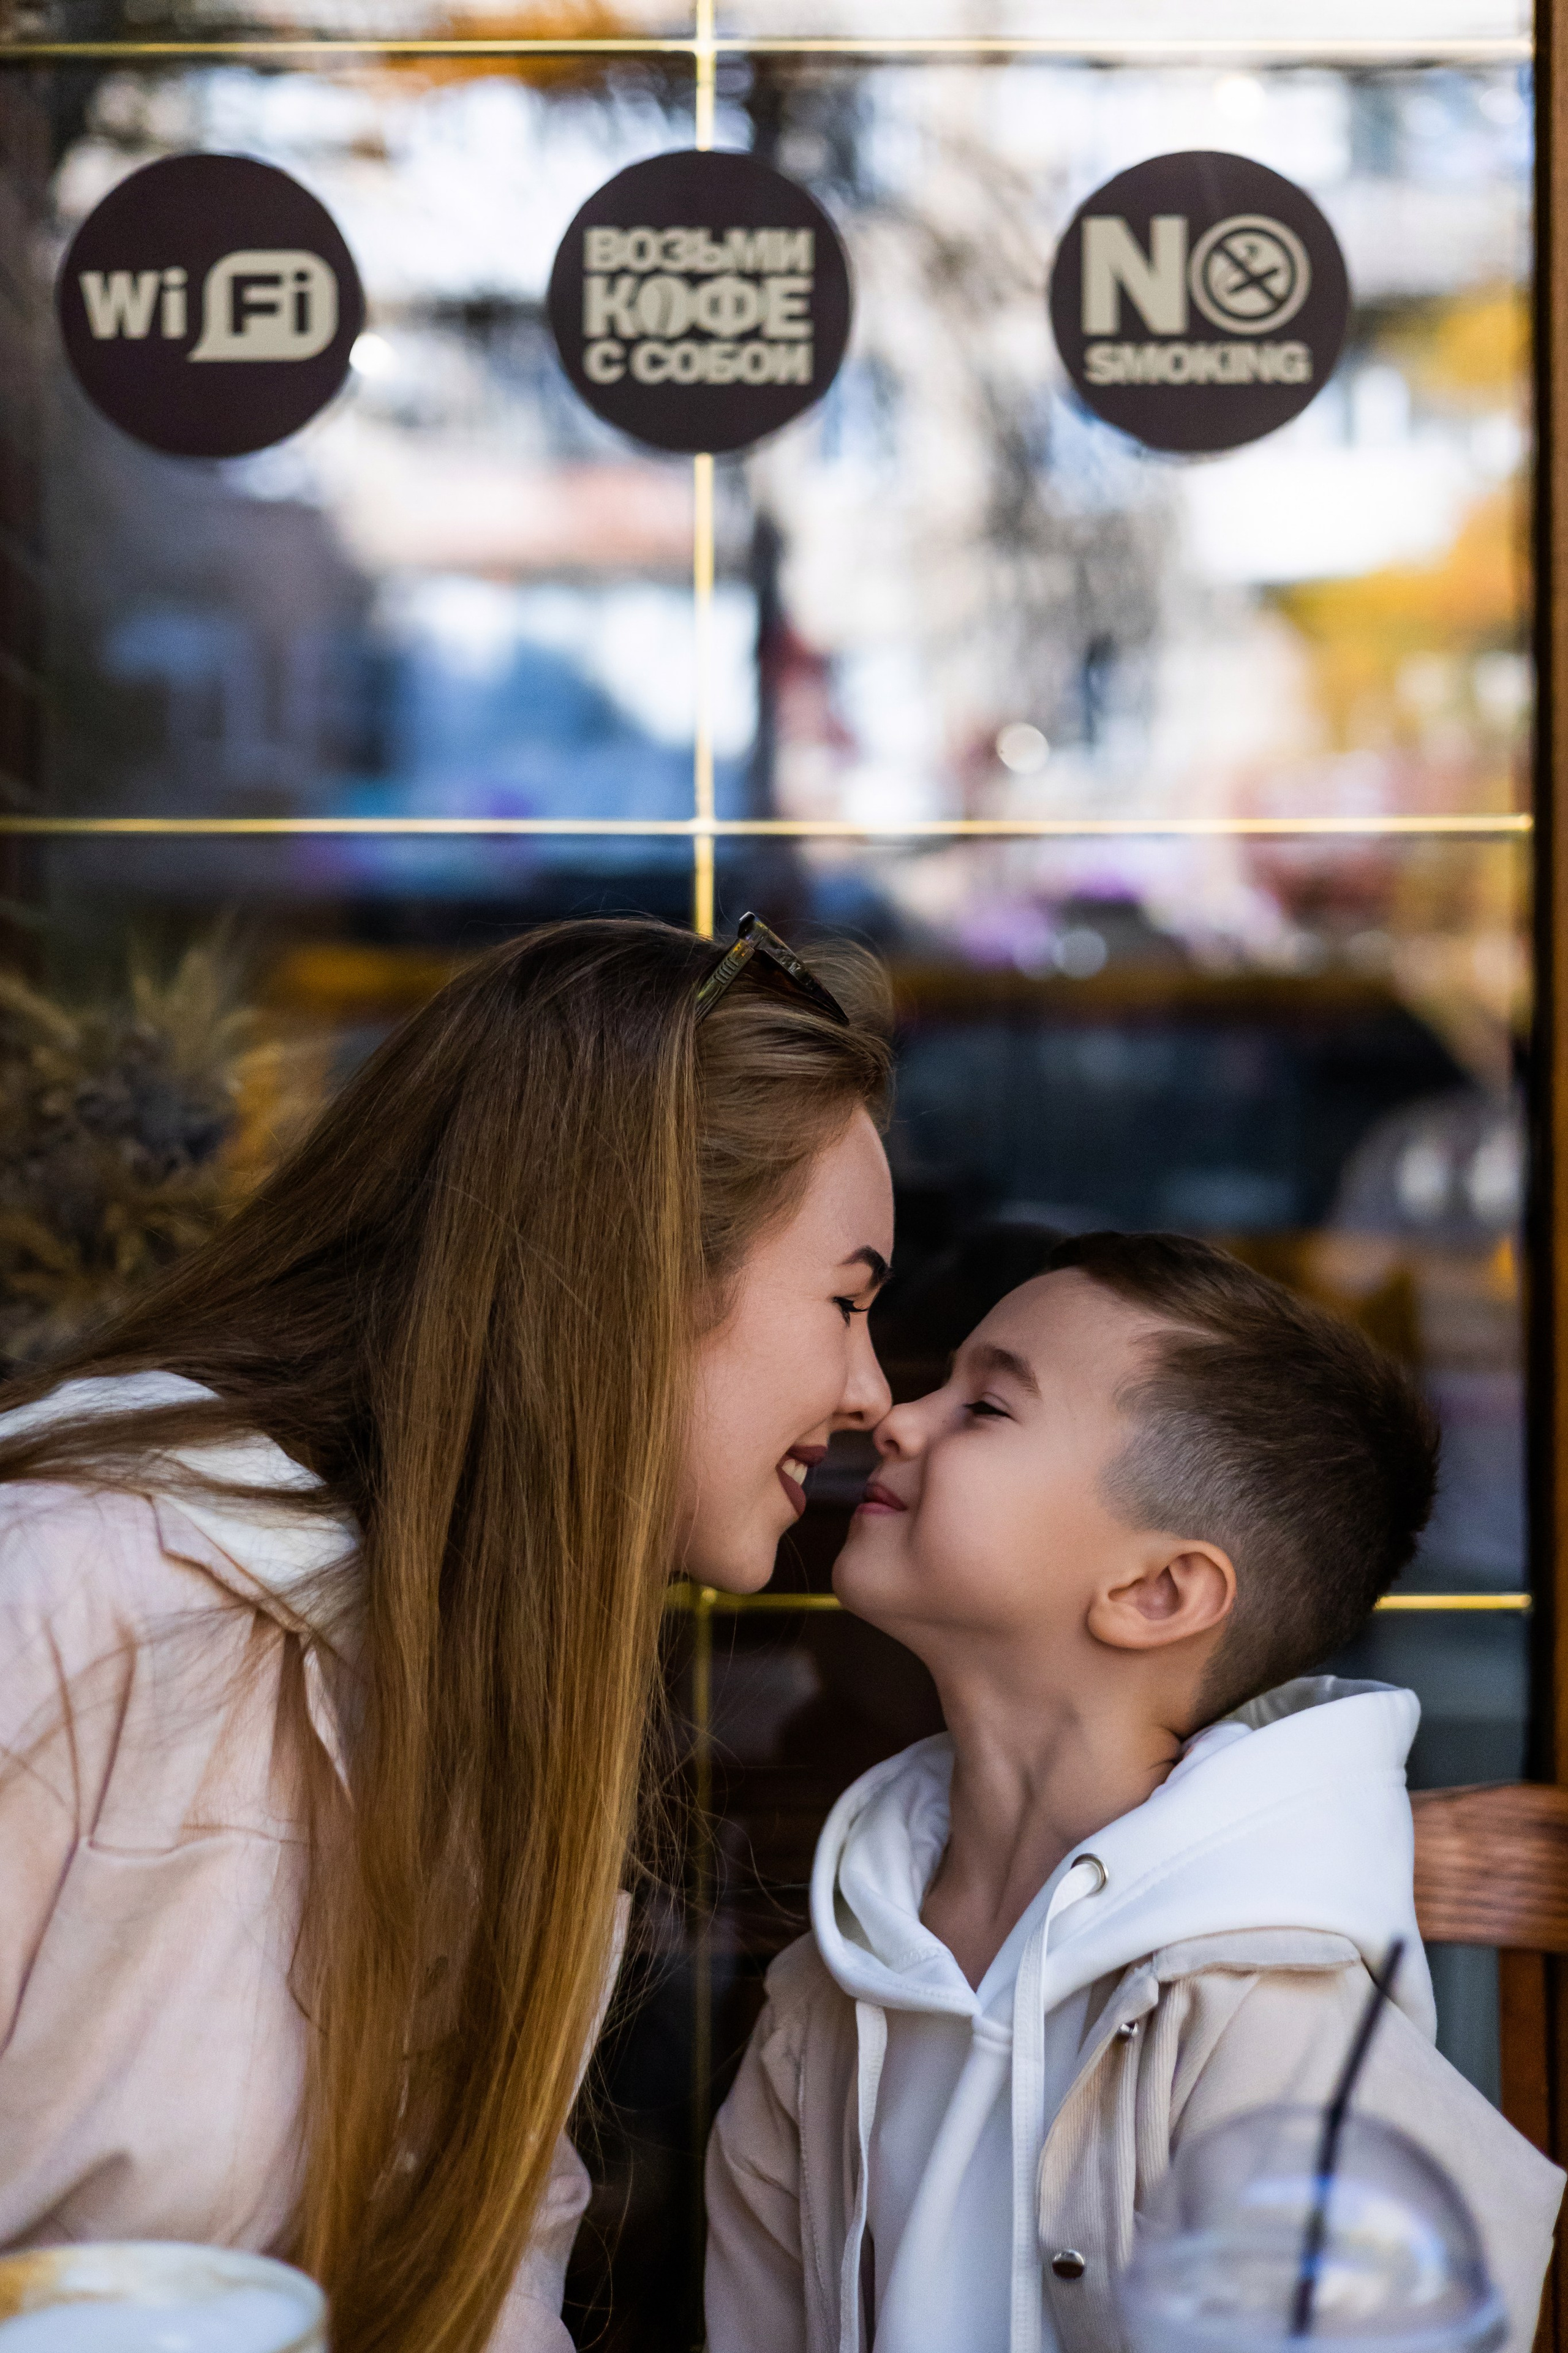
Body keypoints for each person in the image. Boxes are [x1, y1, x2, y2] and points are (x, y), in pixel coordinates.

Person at [0, 915, 895, 2353]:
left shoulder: (502, 1666)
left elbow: (486, 2277)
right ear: (642, 1262)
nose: (870, 1389)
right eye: (847, 1301)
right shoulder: (74, 1584)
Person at [705, 1230, 1566, 2353]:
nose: (898, 1418)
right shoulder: (830, 1986)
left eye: (987, 1408)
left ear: (1157, 1591)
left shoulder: (1285, 2039)